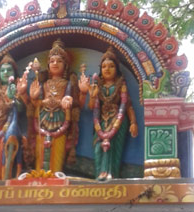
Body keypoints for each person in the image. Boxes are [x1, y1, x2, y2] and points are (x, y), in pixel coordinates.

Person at [17, 38, 79, 173]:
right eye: (52, 61)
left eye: (59, 61)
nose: (55, 63)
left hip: (61, 120)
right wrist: (30, 97)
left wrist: (68, 99)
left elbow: (74, 102)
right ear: (48, 65)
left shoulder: (68, 83)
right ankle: (40, 178)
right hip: (42, 120)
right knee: (40, 152)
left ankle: (55, 175)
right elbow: (34, 104)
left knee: (58, 153)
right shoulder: (44, 84)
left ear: (66, 65)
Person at [79, 47, 138, 180]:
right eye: (104, 66)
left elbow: (127, 105)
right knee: (99, 149)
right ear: (100, 69)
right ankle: (100, 174)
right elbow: (90, 107)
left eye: (111, 66)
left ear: (117, 69)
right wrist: (92, 97)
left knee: (113, 149)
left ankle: (111, 174)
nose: (107, 69)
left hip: (118, 121)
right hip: (100, 122)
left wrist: (133, 122)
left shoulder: (120, 85)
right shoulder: (97, 86)